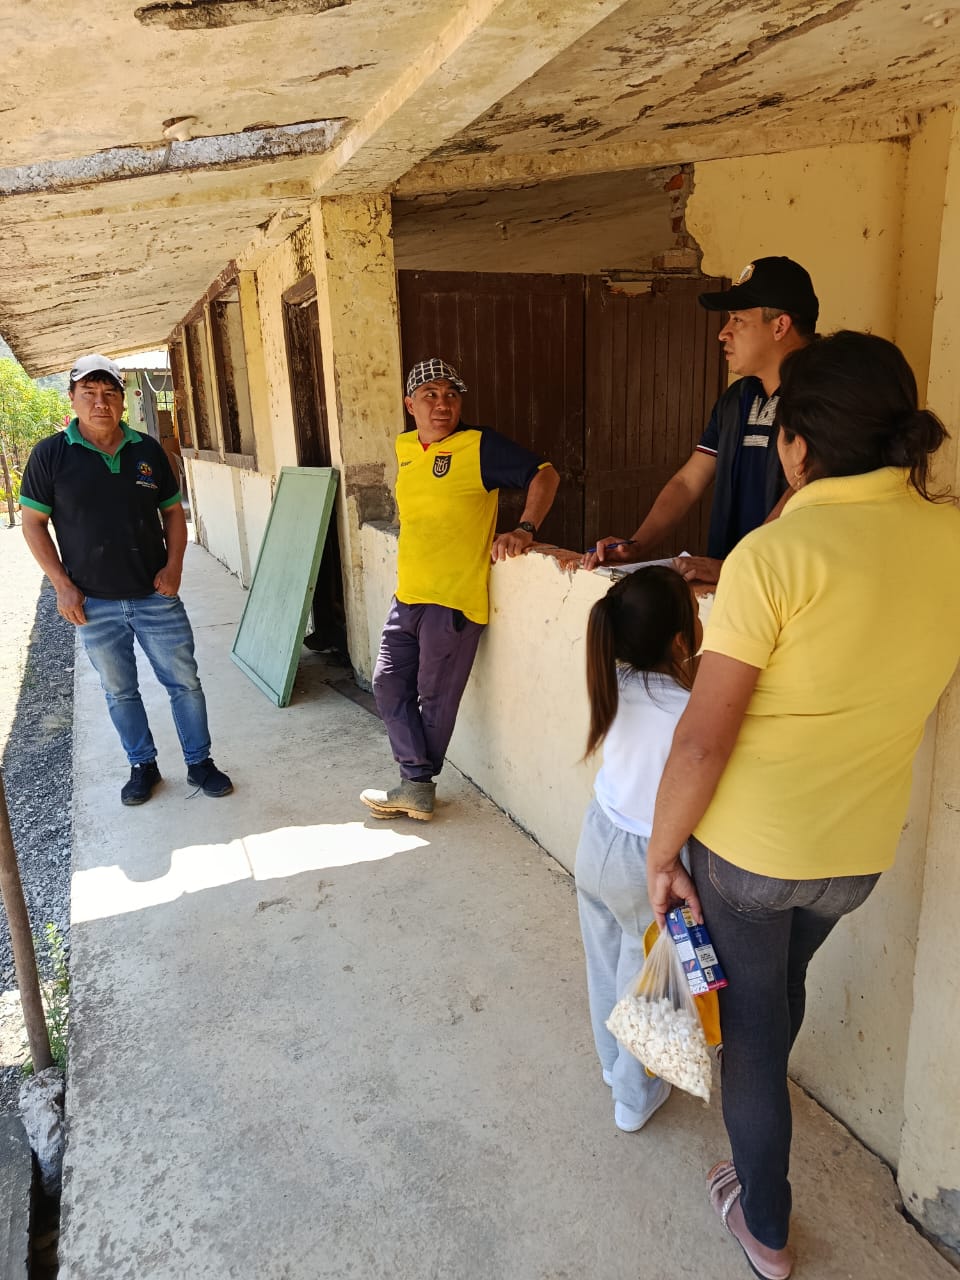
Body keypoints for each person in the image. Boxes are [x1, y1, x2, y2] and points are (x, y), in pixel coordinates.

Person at [643, 331, 960, 1280]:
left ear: (795, 445)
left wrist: (661, 856)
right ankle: (763, 1128)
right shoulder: (950, 539)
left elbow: (701, 742)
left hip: (749, 856)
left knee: (749, 1033)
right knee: (777, 993)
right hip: (855, 860)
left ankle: (766, 1227)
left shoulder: (773, 558)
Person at [19, 354, 232, 807]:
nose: (101, 403)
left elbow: (172, 513)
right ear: (72, 398)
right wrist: (61, 584)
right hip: (92, 603)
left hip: (155, 595)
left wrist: (174, 567)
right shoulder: (50, 455)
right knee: (119, 691)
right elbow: (33, 524)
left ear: (123, 400)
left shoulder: (147, 451)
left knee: (185, 683)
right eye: (89, 393)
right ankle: (142, 766)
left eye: (109, 393)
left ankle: (200, 762)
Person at [360, 358, 559, 821]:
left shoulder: (479, 446)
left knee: (435, 698)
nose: (443, 404)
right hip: (407, 596)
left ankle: (415, 784)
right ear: (410, 404)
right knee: (387, 683)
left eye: (451, 395)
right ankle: (416, 783)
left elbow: (545, 474)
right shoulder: (405, 447)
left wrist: (525, 528)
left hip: (453, 602)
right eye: (430, 395)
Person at [584, 256, 818, 584]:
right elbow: (687, 482)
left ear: (780, 326)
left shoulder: (828, 396)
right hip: (734, 583)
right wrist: (637, 545)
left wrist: (742, 566)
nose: (723, 333)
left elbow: (809, 486)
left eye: (738, 320)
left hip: (790, 586)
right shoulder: (737, 399)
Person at [574, 566, 700, 1132]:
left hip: (597, 840)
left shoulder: (612, 680)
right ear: (681, 639)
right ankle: (634, 1096)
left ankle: (610, 1064)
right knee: (651, 985)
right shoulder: (689, 713)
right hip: (647, 861)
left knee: (605, 964)